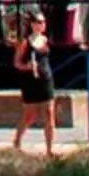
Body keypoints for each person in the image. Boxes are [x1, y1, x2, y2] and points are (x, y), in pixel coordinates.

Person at [10, 9, 56, 157]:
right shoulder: (25, 42)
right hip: (30, 82)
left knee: (49, 113)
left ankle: (50, 149)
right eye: (38, 22)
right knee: (30, 115)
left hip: (46, 80)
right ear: (32, 24)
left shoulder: (45, 40)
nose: (41, 25)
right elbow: (16, 63)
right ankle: (17, 140)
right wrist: (27, 67)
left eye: (43, 22)